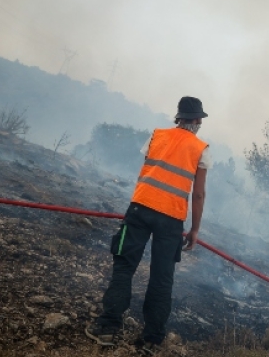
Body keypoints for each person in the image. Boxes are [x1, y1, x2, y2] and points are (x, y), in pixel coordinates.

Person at [86, 96, 211, 354]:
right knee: (162, 278)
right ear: (197, 121)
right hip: (172, 220)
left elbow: (147, 170)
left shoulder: (157, 135)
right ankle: (152, 340)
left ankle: (108, 329)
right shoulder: (202, 149)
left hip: (141, 209)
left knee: (124, 266)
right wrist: (195, 229)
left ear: (177, 118)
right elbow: (198, 195)